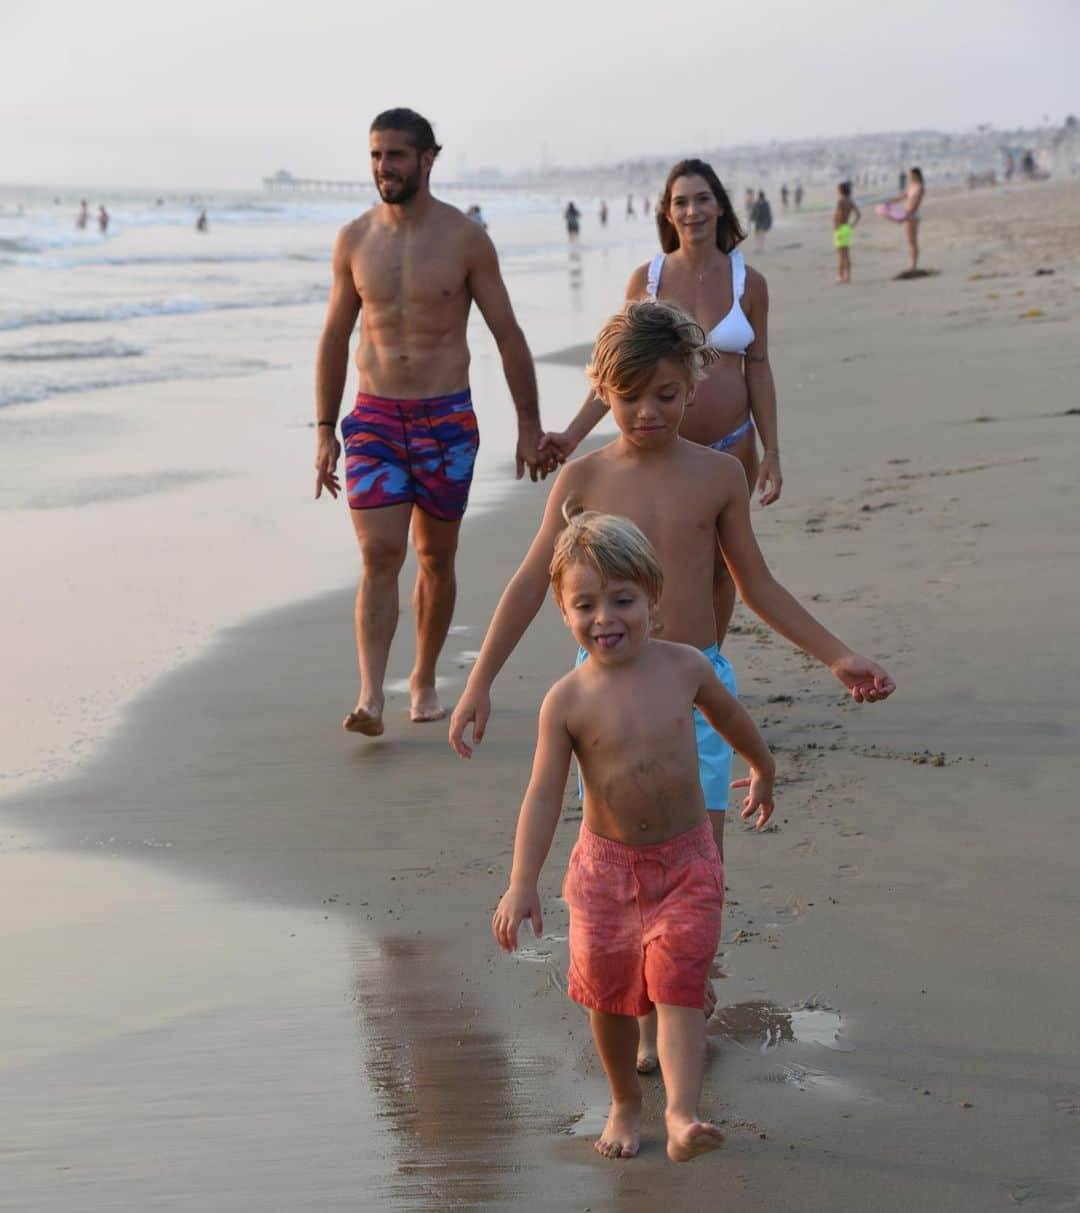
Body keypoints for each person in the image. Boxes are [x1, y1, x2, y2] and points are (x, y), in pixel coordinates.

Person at [451, 301, 896, 1070]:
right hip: (609, 696)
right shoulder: (583, 476)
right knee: (622, 845)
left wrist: (835, 653)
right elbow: (531, 581)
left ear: (692, 388)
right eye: (628, 396)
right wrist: (480, 680)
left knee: (697, 856)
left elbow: (754, 584)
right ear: (602, 390)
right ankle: (647, 989)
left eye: (664, 392)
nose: (646, 411)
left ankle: (674, 996)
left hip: (694, 684)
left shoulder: (720, 474)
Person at [492, 510, 775, 1162]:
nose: (605, 617)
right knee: (611, 996)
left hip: (687, 864)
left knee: (679, 987)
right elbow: (543, 794)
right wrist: (522, 881)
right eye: (584, 604)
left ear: (653, 596)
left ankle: (680, 1114)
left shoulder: (684, 667)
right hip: (604, 873)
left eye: (622, 599)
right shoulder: (566, 700)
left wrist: (763, 766)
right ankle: (625, 1100)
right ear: (563, 610)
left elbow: (731, 718)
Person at [313, 107, 550, 736]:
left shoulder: (466, 239)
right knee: (380, 555)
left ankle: (422, 676)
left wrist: (530, 424)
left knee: (436, 558)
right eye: (373, 155)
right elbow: (335, 337)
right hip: (373, 420)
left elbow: (507, 334)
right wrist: (322, 431)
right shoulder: (354, 239)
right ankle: (370, 696)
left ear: (427, 159)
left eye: (393, 155)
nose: (382, 167)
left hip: (446, 420)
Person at [540, 159, 781, 644]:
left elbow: (757, 365)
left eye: (702, 199)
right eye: (681, 202)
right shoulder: (644, 282)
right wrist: (571, 435)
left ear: (719, 205)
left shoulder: (748, 282)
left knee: (718, 569)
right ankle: (652, 658)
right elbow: (618, 371)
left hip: (733, 446)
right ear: (667, 214)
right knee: (648, 563)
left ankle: (706, 663)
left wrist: (772, 450)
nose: (692, 211)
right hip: (656, 448)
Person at [884, 166, 924, 274]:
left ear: (915, 175)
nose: (909, 176)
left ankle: (913, 265)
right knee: (910, 241)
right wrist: (890, 202)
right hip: (908, 213)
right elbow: (902, 197)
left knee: (912, 241)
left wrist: (908, 214)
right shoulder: (911, 186)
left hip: (913, 215)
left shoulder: (920, 187)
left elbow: (916, 202)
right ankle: (912, 264)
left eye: (910, 174)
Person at [833, 181, 861, 284]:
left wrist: (836, 225)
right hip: (847, 227)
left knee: (840, 254)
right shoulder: (850, 201)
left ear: (840, 190)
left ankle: (840, 276)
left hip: (840, 228)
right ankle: (848, 276)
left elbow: (838, 214)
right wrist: (852, 225)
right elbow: (858, 214)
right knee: (847, 254)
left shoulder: (840, 201)